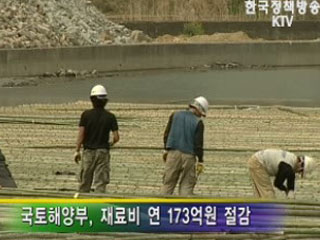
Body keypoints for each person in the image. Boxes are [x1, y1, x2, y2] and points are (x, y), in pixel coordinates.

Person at [74, 84, 119, 193]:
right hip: (103, 152)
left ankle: (83, 204)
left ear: (92, 100)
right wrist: (110, 144)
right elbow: (116, 137)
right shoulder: (110, 116)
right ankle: (99, 204)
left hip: (88, 152)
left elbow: (81, 135)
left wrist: (77, 150)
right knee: (100, 183)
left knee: (85, 181)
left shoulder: (85, 115)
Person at [162, 96, 209, 195]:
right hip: (189, 157)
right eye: (201, 114)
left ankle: (162, 207)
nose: (200, 116)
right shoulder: (198, 122)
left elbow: (166, 133)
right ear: (199, 110)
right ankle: (184, 208)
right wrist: (200, 160)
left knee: (168, 184)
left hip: (172, 154)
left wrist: (166, 149)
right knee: (186, 186)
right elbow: (198, 144)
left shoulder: (175, 115)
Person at [248, 149, 316, 199]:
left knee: (260, 194)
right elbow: (277, 183)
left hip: (256, 159)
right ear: (301, 164)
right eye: (300, 171)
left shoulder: (291, 159)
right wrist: (287, 191)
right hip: (258, 163)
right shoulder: (286, 166)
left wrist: (290, 190)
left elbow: (291, 175)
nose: (298, 173)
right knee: (268, 193)